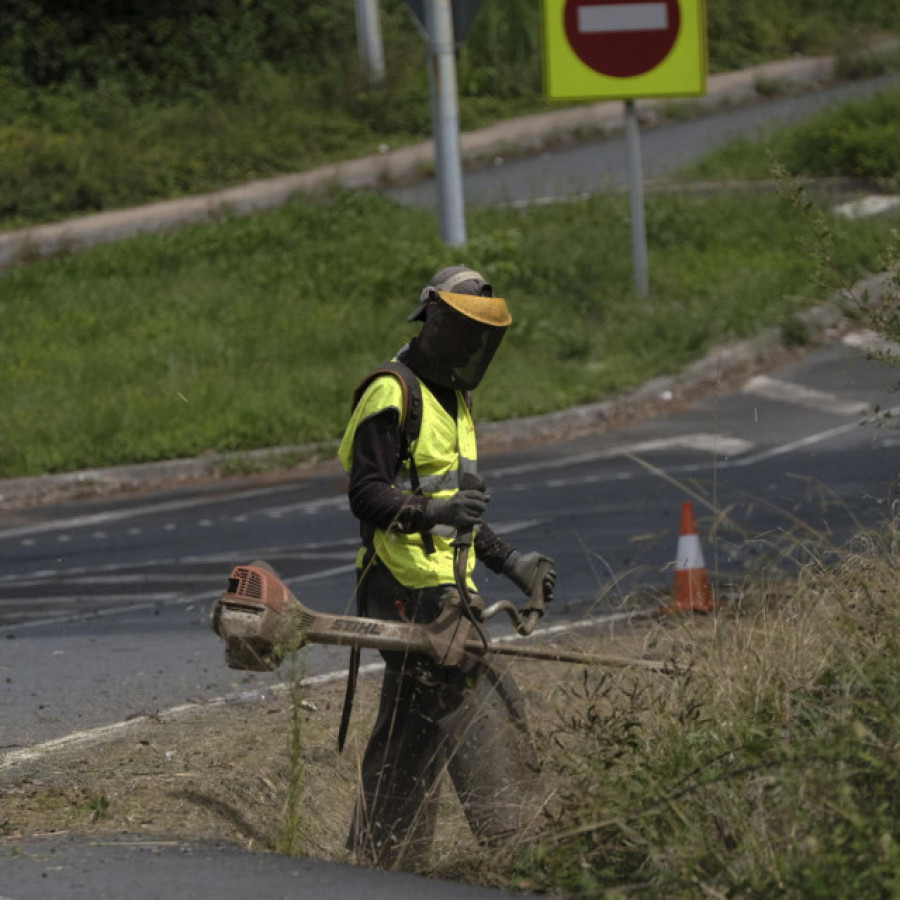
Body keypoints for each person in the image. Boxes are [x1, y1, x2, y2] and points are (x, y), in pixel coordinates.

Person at [337, 265, 557, 869]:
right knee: (468, 683)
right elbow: (366, 495)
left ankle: (382, 857)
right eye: (461, 329)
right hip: (400, 585)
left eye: (478, 335)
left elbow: (456, 512)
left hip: (442, 584)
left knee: (412, 717)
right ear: (433, 317)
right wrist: (436, 508)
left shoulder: (455, 401)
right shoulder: (392, 391)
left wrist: (512, 562)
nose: (469, 345)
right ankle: (520, 850)